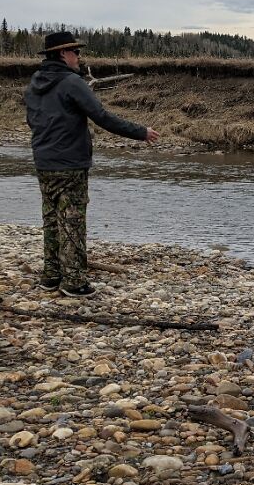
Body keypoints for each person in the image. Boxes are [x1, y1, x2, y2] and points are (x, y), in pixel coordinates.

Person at [24, 31, 159, 297]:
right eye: (76, 52)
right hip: (70, 164)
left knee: (51, 219)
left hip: (44, 162)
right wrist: (141, 132)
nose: (79, 57)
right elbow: (101, 116)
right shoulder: (72, 83)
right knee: (72, 222)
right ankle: (74, 283)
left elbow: (33, 121)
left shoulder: (35, 83)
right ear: (63, 54)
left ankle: (51, 276)